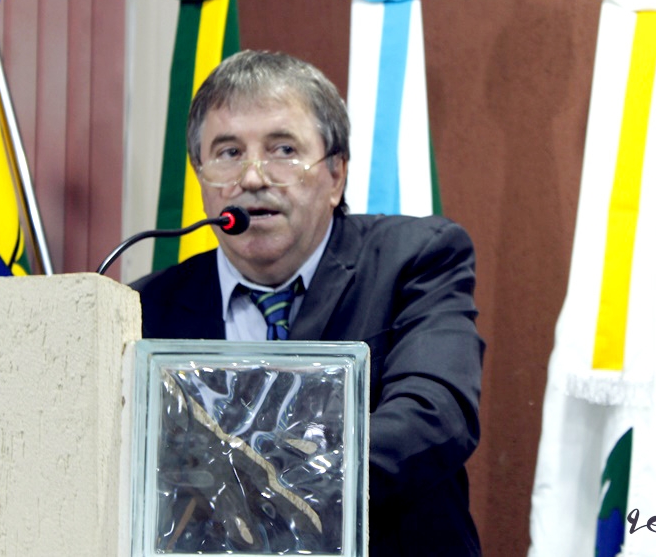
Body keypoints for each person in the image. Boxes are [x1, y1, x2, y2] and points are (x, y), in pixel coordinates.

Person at [133, 50, 484, 556]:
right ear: (201, 176)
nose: (253, 178)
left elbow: (435, 414)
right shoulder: (147, 307)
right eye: (228, 152)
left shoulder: (413, 260)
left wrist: (267, 481)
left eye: (283, 149)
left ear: (336, 174)